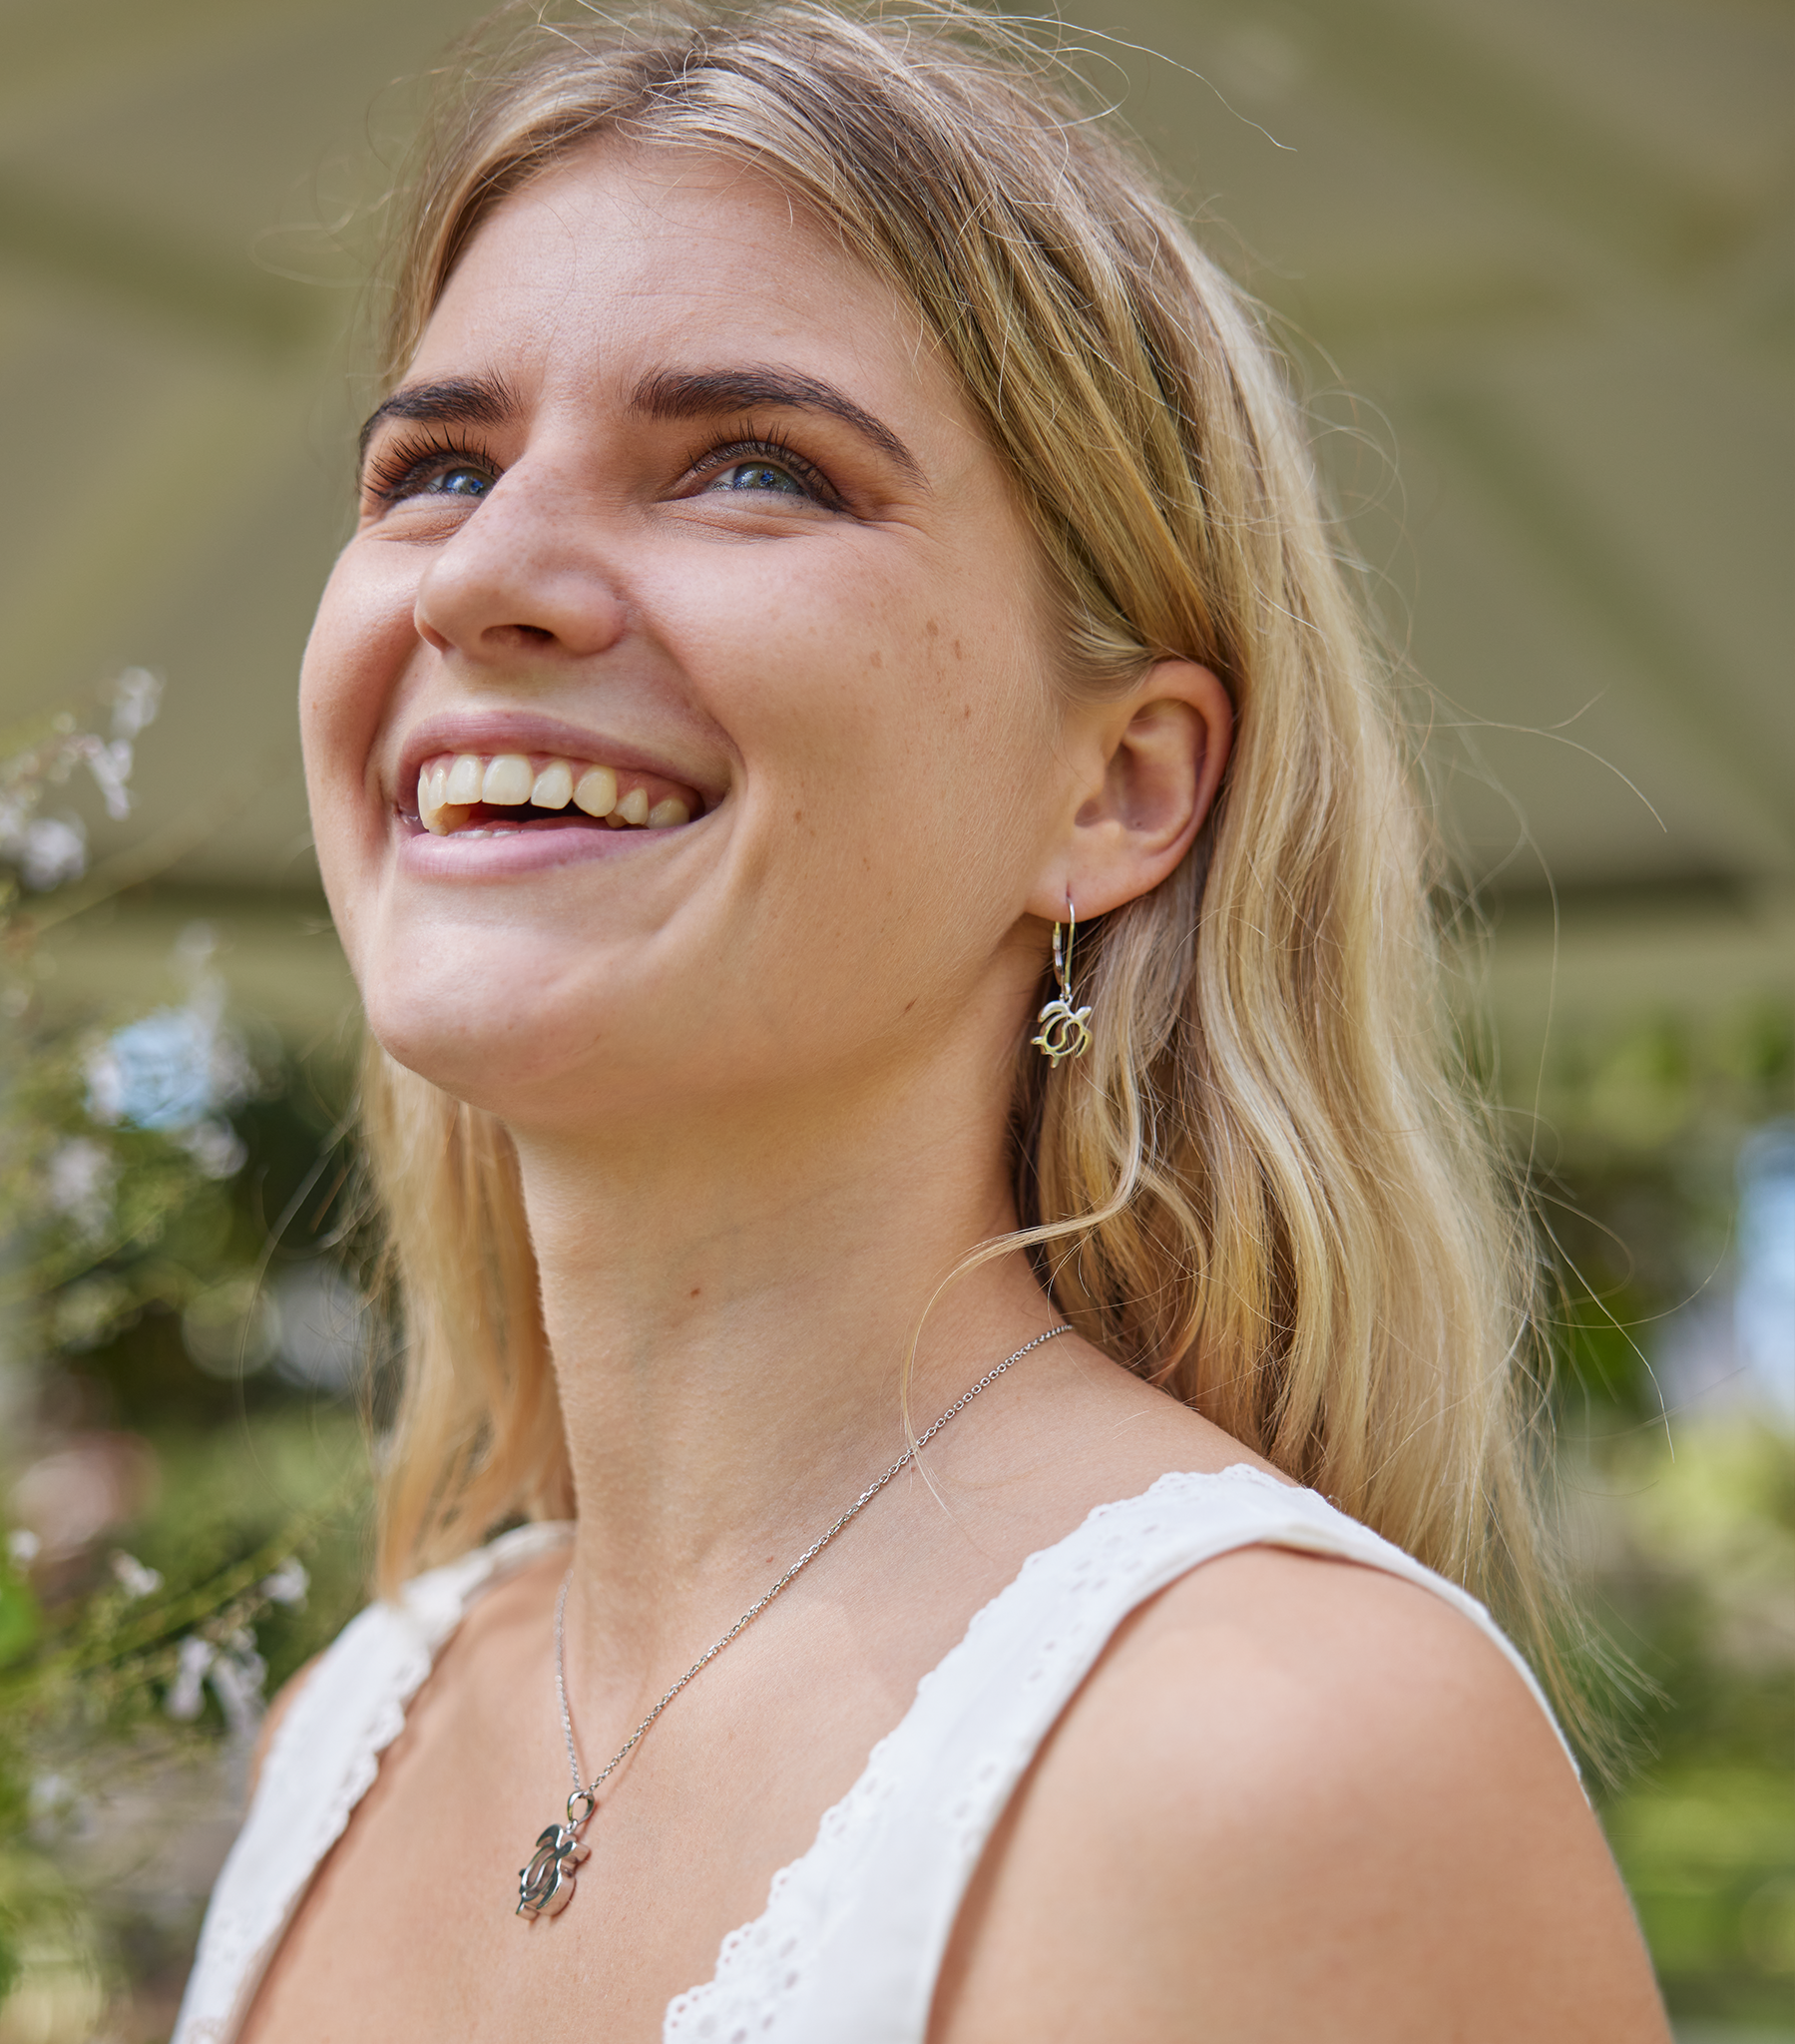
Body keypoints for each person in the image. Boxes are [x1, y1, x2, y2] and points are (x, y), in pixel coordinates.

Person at [176, 5, 1668, 2036]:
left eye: (752, 468)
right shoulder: (341, 1740)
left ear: (1117, 786)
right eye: (435, 468)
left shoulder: (1288, 1757)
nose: (483, 575)